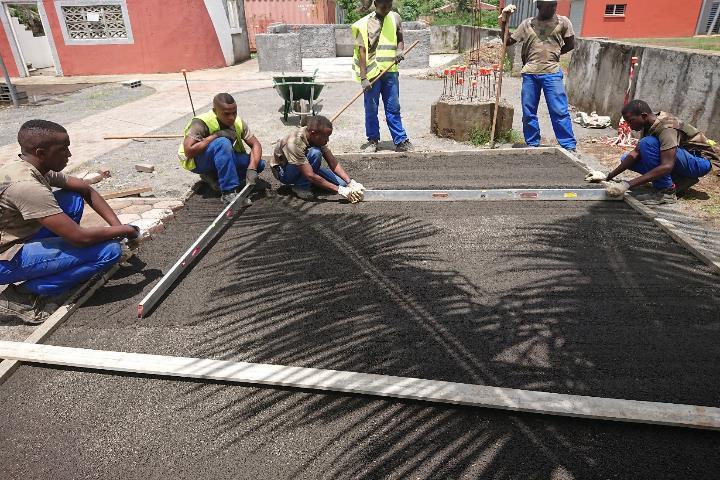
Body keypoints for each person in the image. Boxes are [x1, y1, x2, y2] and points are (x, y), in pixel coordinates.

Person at [0, 120, 140, 324]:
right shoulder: (26, 186)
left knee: (72, 198)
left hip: (13, 236)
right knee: (109, 251)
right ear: (41, 152)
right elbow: (80, 237)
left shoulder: (33, 167)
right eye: (63, 149)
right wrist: (127, 229)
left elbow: (85, 189)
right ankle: (21, 297)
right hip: (4, 257)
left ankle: (58, 262)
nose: (69, 154)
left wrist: (117, 228)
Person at [587, 100, 717, 205]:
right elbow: (635, 154)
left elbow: (667, 165)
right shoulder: (649, 124)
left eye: (631, 121)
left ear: (643, 116)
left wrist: (627, 184)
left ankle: (667, 192)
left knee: (648, 144)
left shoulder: (666, 127)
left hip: (701, 162)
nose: (629, 126)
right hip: (685, 158)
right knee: (626, 158)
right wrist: (608, 176)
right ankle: (681, 180)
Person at [500, 0, 577, 151]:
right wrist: (504, 19)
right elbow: (507, 41)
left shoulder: (563, 22)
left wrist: (554, 54)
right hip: (530, 73)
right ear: (538, 6)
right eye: (547, 6)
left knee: (559, 111)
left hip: (552, 73)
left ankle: (568, 146)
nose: (551, 8)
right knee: (529, 112)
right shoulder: (527, 24)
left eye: (553, 5)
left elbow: (570, 44)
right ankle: (532, 143)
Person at [179, 93, 265, 204]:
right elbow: (189, 152)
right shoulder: (201, 122)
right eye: (226, 114)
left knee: (259, 164)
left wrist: (252, 168)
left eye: (234, 112)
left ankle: (214, 179)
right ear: (215, 111)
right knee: (222, 142)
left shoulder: (238, 122)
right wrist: (216, 135)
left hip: (223, 159)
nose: (232, 117)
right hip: (198, 162)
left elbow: (255, 144)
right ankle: (228, 192)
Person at [353, 0, 413, 153]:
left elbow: (400, 39)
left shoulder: (395, 18)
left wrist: (400, 51)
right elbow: (362, 52)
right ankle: (373, 140)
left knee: (393, 108)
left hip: (390, 72)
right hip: (372, 74)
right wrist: (363, 77)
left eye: (389, 6)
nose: (386, 10)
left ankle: (401, 140)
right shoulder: (364, 23)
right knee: (371, 108)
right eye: (383, 7)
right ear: (375, 4)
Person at [271, 116, 365, 202]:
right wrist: (339, 190)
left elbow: (332, 162)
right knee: (315, 153)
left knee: (342, 183)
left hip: (304, 164)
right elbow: (310, 175)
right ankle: (301, 187)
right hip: (284, 171)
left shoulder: (316, 137)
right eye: (326, 137)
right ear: (313, 133)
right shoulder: (294, 143)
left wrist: (350, 182)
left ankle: (311, 182)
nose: (327, 140)